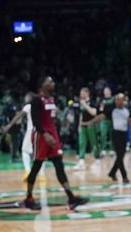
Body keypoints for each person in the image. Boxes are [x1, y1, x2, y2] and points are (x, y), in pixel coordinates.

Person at [24, 76, 88, 210]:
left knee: (59, 166)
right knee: (36, 166)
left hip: (52, 136)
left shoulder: (51, 99)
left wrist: (64, 120)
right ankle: (29, 198)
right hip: (41, 136)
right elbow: (36, 121)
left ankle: (71, 197)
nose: (53, 83)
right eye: (49, 81)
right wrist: (45, 135)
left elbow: (54, 116)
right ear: (42, 85)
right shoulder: (36, 100)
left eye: (53, 81)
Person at [3, 93, 44, 182]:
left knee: (24, 151)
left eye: (27, 96)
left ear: (30, 98)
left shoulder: (28, 106)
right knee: (40, 153)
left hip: (31, 131)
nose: (25, 98)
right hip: (41, 131)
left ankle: (28, 171)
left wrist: (9, 125)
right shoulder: (41, 106)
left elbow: (18, 116)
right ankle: (42, 175)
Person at [108, 93, 131, 184]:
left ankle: (112, 173)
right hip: (116, 133)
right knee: (120, 156)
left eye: (121, 99)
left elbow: (129, 120)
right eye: (117, 99)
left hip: (124, 134)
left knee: (122, 155)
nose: (119, 101)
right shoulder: (112, 110)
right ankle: (124, 177)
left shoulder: (127, 111)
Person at [75, 87, 101, 169]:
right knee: (82, 143)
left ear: (87, 93)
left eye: (82, 93)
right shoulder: (81, 103)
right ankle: (81, 161)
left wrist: (85, 105)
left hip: (91, 126)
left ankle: (97, 160)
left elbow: (94, 113)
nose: (80, 95)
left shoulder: (92, 102)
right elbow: (81, 115)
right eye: (80, 93)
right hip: (83, 126)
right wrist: (79, 126)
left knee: (94, 143)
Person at [98, 87, 115, 158]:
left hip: (112, 120)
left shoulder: (113, 99)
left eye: (107, 91)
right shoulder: (101, 100)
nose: (106, 92)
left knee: (113, 135)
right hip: (104, 120)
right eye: (105, 91)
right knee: (103, 134)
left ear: (110, 92)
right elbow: (99, 110)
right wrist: (101, 107)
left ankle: (112, 150)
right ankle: (103, 150)